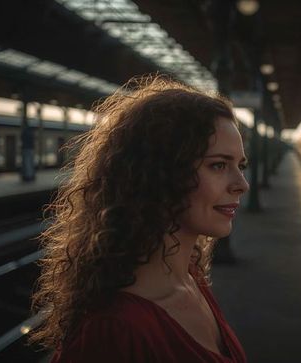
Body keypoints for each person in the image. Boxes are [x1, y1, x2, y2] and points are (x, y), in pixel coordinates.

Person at [30, 76, 249, 362]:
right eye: (218, 165)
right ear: (159, 174)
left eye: (240, 165)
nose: (241, 184)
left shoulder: (191, 279)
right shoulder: (111, 333)